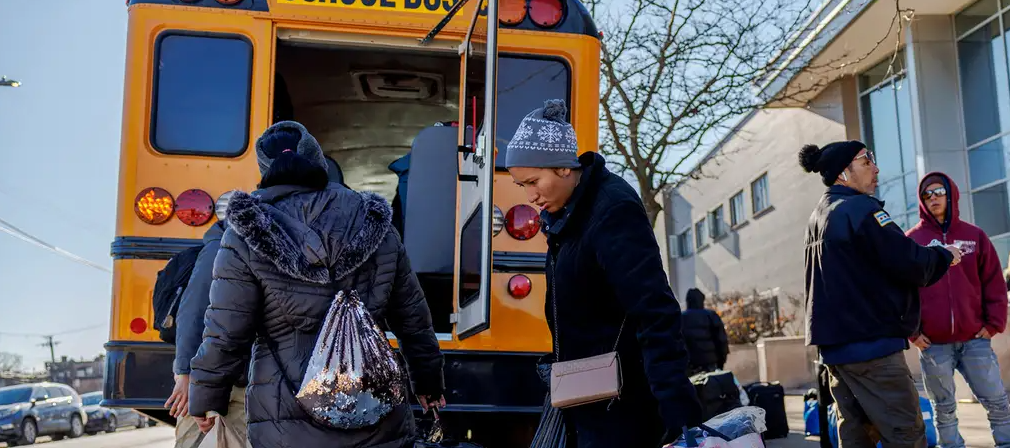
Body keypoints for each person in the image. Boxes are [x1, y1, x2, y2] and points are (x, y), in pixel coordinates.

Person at [188, 121, 445, 448]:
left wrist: (207, 396)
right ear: (319, 161)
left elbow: (226, 331)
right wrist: (428, 382)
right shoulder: (374, 223)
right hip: (376, 412)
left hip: (286, 420)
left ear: (266, 170)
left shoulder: (245, 234)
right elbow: (413, 319)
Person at [505, 99, 702, 448]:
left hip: (621, 408)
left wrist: (676, 406)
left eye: (534, 181)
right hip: (590, 399)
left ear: (564, 168)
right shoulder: (568, 214)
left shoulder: (612, 211)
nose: (530, 196)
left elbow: (654, 310)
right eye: (523, 186)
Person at [798, 140, 961, 448]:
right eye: (865, 161)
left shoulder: (818, 217)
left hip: (837, 351)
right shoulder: (859, 209)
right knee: (905, 433)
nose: (875, 168)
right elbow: (908, 261)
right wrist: (944, 256)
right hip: (871, 347)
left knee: (858, 434)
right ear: (843, 173)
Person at [906, 172, 1010, 448]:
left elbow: (994, 283)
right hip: (933, 344)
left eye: (938, 192)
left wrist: (993, 324)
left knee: (997, 402)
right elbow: (902, 291)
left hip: (975, 340)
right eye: (926, 195)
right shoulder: (912, 239)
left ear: (950, 194)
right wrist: (913, 333)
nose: (933, 198)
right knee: (943, 410)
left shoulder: (974, 236)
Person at [164, 217, 249, 448]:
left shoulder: (222, 244)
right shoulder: (221, 246)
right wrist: (185, 374)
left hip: (219, 374)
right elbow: (193, 312)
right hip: (220, 376)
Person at [681, 289, 729, 374]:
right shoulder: (711, 316)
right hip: (711, 365)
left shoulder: (681, 318)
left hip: (690, 367)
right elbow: (722, 341)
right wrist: (721, 362)